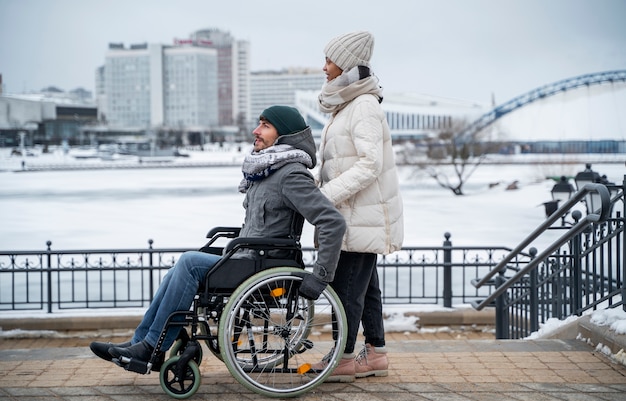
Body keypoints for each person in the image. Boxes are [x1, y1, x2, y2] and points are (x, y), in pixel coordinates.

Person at [90, 105, 346, 366]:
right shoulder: (266, 171)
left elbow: (331, 221)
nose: (255, 131)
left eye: (265, 126)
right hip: (250, 257)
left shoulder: (291, 175)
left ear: (285, 136)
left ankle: (151, 348)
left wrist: (320, 276)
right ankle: (140, 342)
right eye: (259, 124)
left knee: (190, 264)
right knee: (178, 268)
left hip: (264, 263)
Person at [316, 31, 404, 382]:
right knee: (365, 288)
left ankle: (345, 357)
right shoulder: (350, 103)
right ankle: (376, 353)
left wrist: (325, 196)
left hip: (359, 215)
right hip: (354, 214)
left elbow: (369, 164)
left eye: (329, 60)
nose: (323, 67)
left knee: (347, 289)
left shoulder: (363, 105)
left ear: (347, 64)